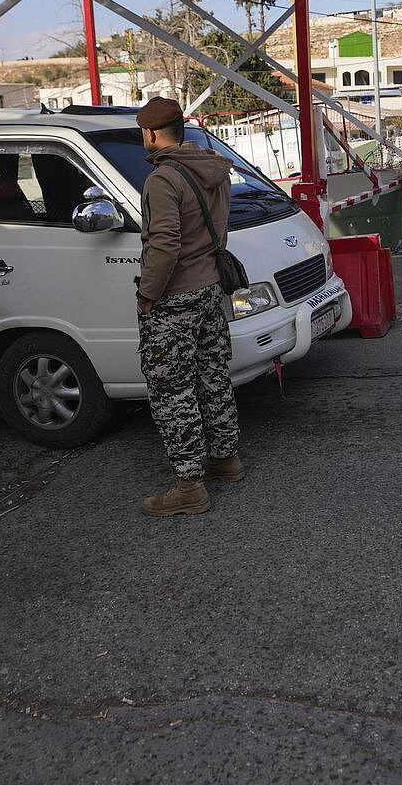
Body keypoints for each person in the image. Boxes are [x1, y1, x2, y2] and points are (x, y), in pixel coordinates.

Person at [133, 98, 241, 517]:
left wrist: (148, 294)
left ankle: (189, 487)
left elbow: (164, 244)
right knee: (213, 377)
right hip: (211, 289)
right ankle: (225, 459)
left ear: (151, 134)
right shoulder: (214, 169)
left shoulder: (163, 180)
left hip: (174, 298)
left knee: (171, 391)